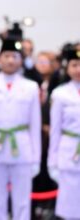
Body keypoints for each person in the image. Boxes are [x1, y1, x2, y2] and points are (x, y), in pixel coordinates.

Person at [0, 38, 41, 220]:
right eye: (6, 56)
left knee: (22, 202)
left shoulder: (31, 87)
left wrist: (36, 158)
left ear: (20, 60)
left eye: (14, 56)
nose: (10, 60)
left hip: (22, 147)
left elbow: (35, 125)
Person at [48, 47, 80, 220]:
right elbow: (55, 130)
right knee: (69, 206)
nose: (78, 69)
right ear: (67, 68)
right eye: (74, 65)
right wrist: (52, 162)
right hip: (68, 151)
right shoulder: (60, 94)